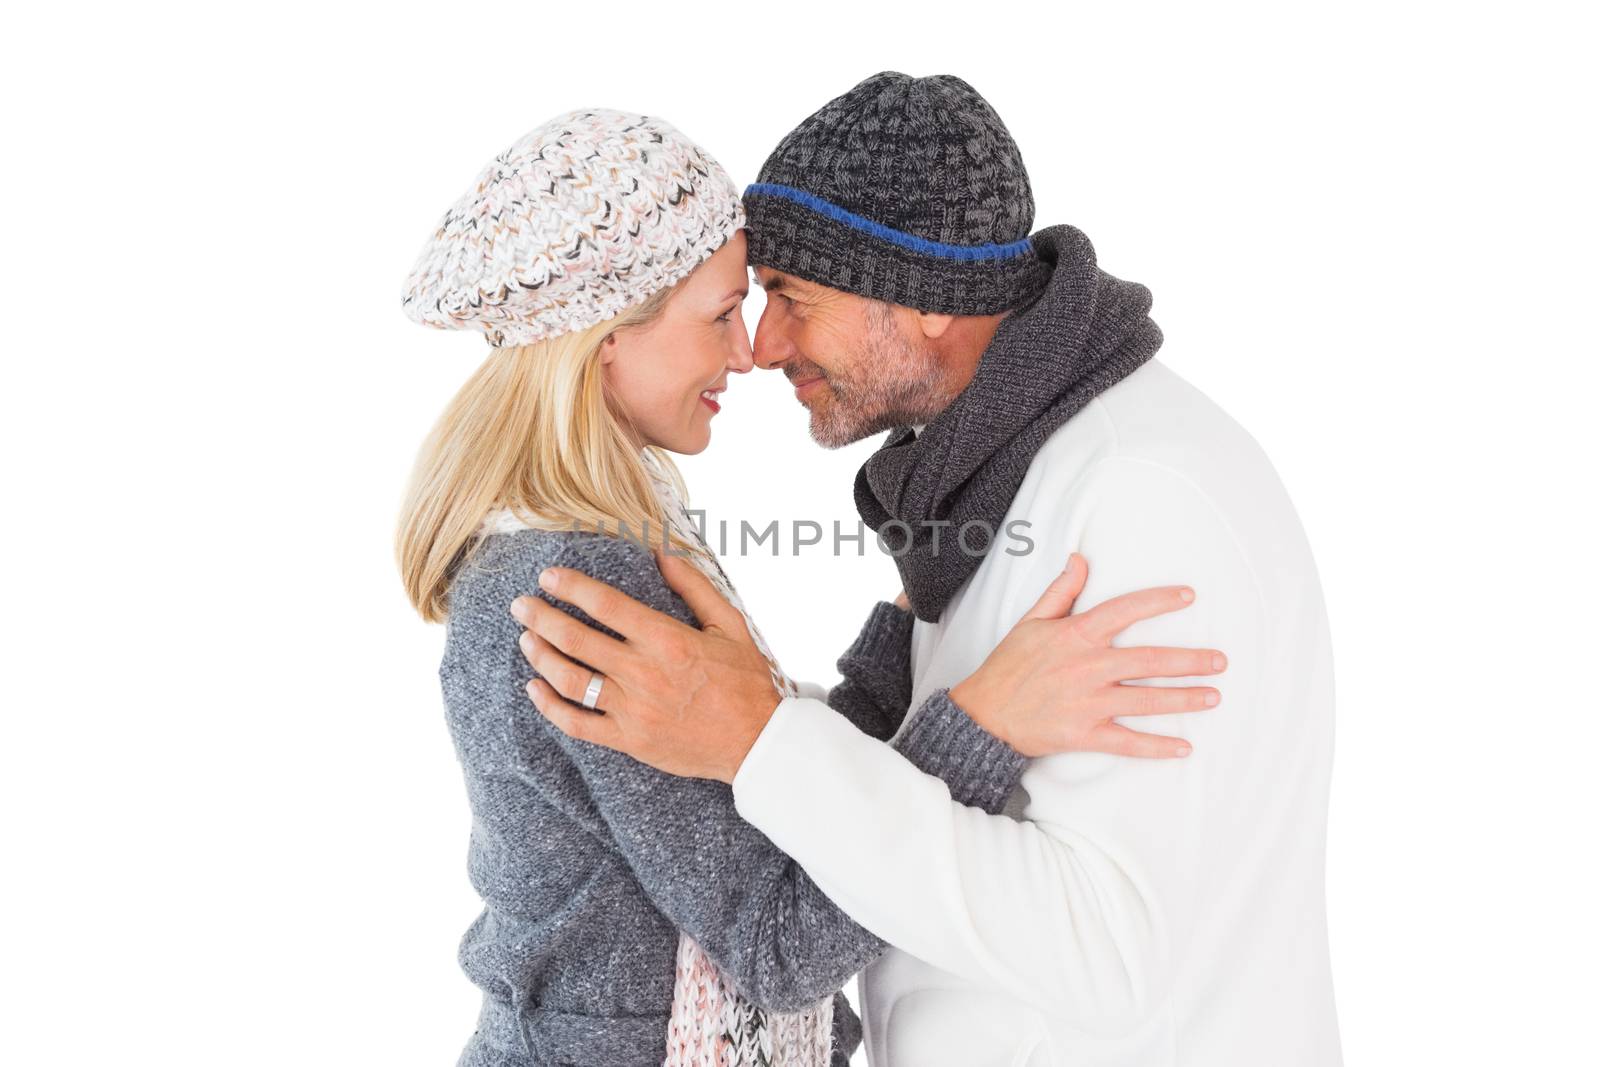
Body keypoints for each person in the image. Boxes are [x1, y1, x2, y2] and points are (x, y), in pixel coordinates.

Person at [519, 73, 1342, 1066]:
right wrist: (788, 721)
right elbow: (936, 801)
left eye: (791, 297)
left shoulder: (1137, 495)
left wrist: (762, 739)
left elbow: (1107, 952)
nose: (762, 346)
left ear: (923, 299)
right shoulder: (999, 478)